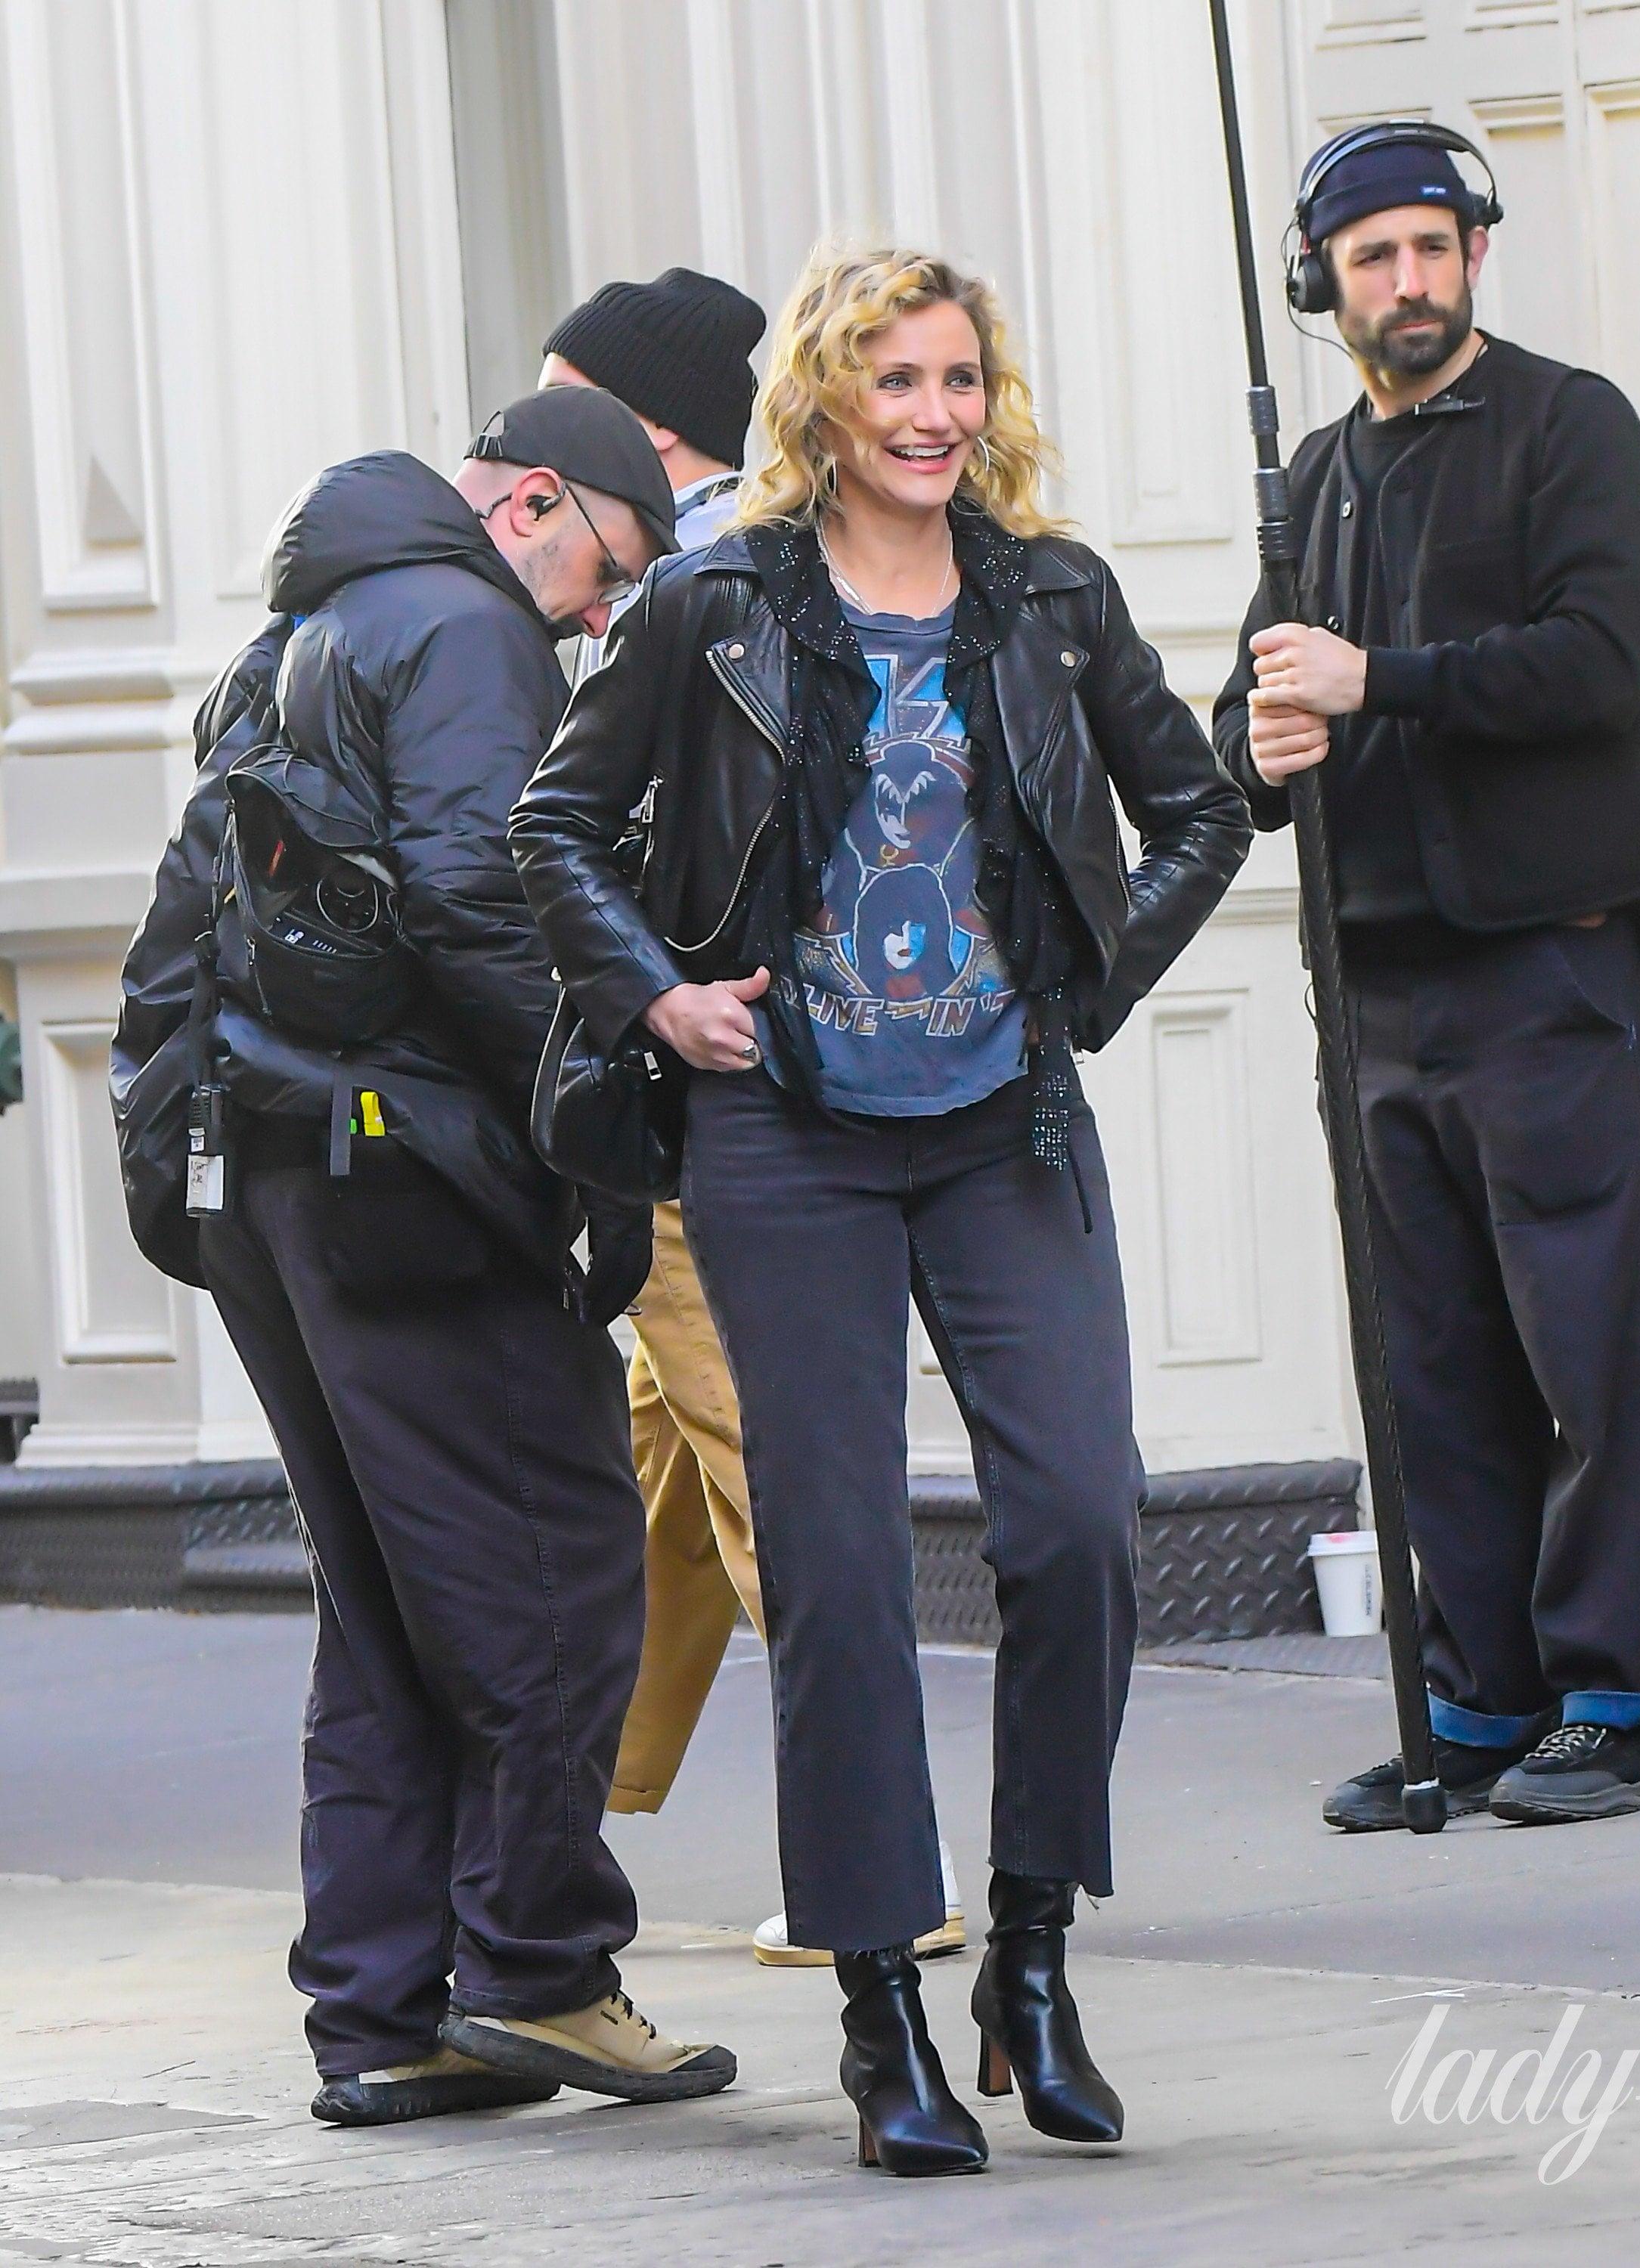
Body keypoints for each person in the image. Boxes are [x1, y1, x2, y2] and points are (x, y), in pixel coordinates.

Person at [513, 244, 1251, 2174]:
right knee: (835, 1571)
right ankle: (879, 2012)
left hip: (1007, 1129)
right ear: (824, 402)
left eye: (958, 379)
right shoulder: (715, 600)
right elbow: (555, 825)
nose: (934, 415)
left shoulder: (1052, 599)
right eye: (895, 380)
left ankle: (1032, 1953)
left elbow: (1197, 808)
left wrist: (1088, 982)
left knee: (1079, 1524)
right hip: (786, 1137)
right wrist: (658, 997)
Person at [113, 388, 738, 2127]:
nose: (601, 618)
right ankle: (538, 1970)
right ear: (533, 502)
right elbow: (485, 903)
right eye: (606, 571)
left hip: (271, 1174)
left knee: (388, 1604)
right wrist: (606, 1135)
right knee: (553, 1567)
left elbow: (184, 922)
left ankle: (389, 2011)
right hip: (410, 1178)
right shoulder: (465, 631)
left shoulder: (292, 635)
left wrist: (174, 1171)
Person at [1211, 124, 1640, 1833]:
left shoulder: (1573, 427)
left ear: (1475, 256)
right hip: (1378, 984)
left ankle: (1630, 1705)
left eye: (1432, 246)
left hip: (1546, 962)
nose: (1408, 281)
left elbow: (1598, 664)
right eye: (1374, 257)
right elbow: (1254, 708)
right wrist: (1259, 742)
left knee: (1594, 1348)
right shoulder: (1314, 480)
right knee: (1431, 1364)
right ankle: (1480, 1702)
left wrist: (1381, 683)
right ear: (1323, 284)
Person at [538, 268, 969, 1963]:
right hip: (795, 1068)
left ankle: (888, 1856)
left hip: (704, 1093)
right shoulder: (787, 561)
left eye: (564, 410)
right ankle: (557, 1801)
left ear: (649, 433)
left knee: (764, 1460)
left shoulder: (680, 589)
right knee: (670, 1459)